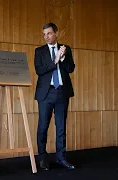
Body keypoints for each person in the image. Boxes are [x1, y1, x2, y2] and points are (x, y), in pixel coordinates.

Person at [34, 22, 76, 171]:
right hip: (46, 93)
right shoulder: (39, 51)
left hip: (62, 92)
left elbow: (71, 68)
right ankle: (43, 159)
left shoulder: (66, 49)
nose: (46, 37)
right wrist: (55, 60)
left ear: (56, 33)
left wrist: (63, 58)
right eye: (44, 34)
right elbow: (39, 70)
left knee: (61, 127)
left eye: (49, 33)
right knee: (43, 127)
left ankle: (61, 158)